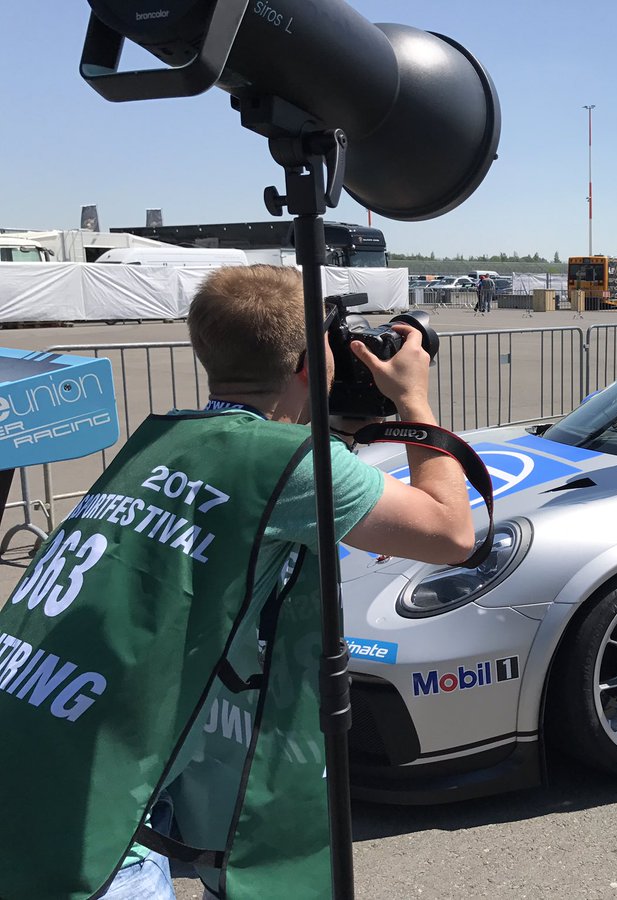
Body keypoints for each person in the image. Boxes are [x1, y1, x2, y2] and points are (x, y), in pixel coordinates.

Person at [0, 265, 474, 899]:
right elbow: (449, 533)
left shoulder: (167, 437)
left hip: (44, 739)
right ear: (311, 361)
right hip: (95, 815)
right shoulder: (295, 465)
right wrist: (413, 401)